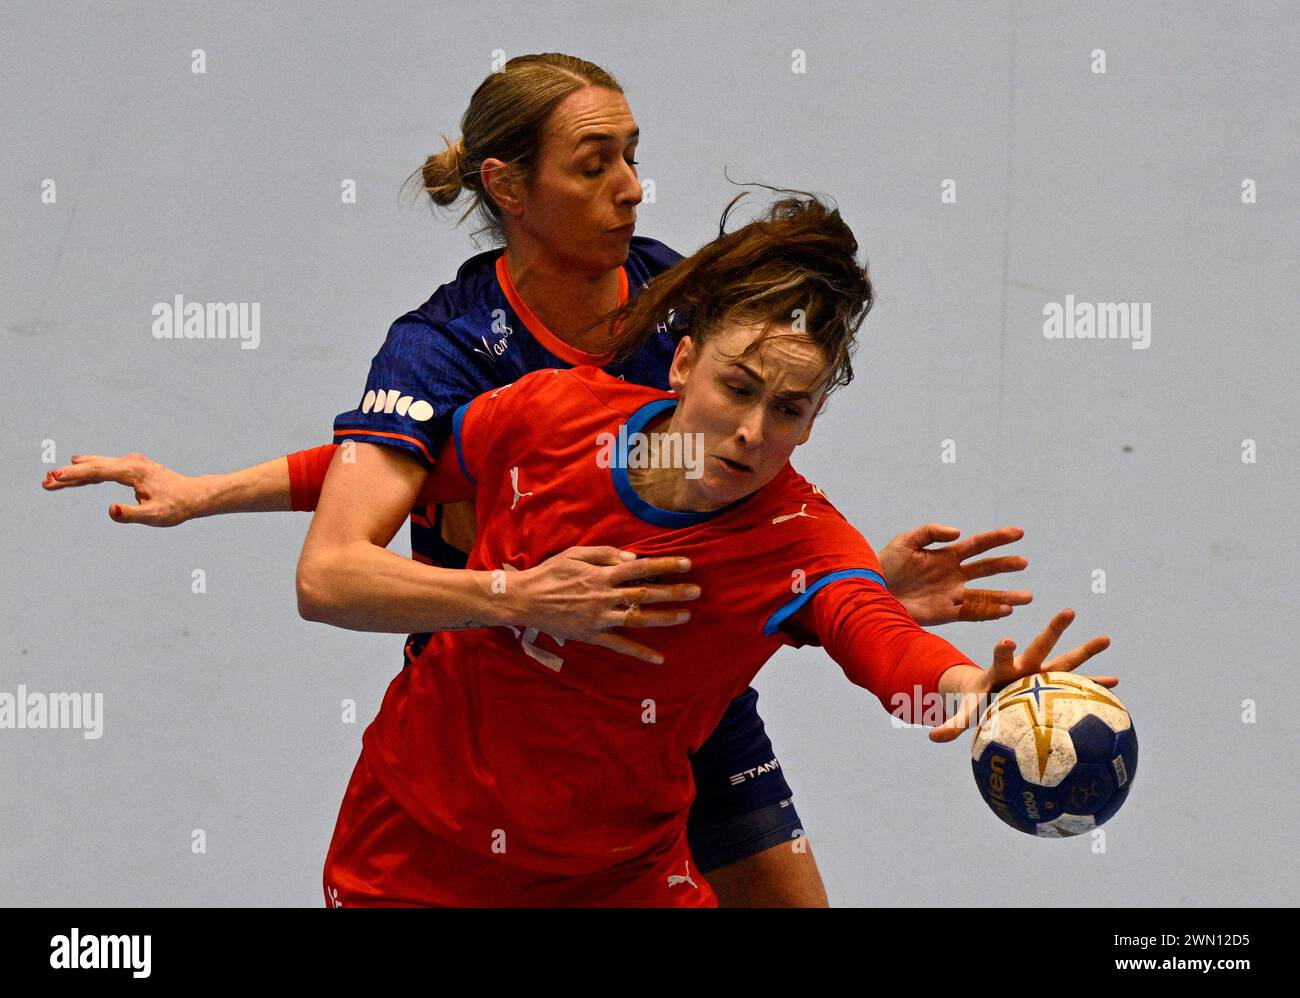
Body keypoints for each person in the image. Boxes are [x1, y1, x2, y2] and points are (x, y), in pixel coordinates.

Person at [42, 53, 1032, 907]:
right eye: (595, 165)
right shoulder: (469, 365)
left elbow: (830, 595)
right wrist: (514, 591)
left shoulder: (684, 308)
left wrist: (851, 609)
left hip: (652, 738)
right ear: (508, 188)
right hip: (475, 731)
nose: (634, 188)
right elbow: (374, 506)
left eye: (634, 156)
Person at [301, 192, 1114, 907]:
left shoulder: (800, 538)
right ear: (684, 363)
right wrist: (215, 493)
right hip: (414, 855)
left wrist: (975, 689)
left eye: (790, 410)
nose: (754, 434)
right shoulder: (554, 414)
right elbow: (388, 463)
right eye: (738, 388)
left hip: (615, 879)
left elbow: (886, 644)